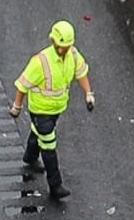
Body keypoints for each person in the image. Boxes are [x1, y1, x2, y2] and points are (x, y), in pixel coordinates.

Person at [9, 20, 95, 201]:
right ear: (53, 41)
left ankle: (30, 158)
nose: (63, 49)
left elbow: (81, 73)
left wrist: (88, 93)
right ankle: (55, 186)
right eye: (61, 46)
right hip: (40, 110)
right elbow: (22, 85)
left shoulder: (72, 54)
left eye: (66, 46)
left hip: (57, 109)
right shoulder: (40, 62)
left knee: (37, 132)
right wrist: (17, 107)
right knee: (49, 145)